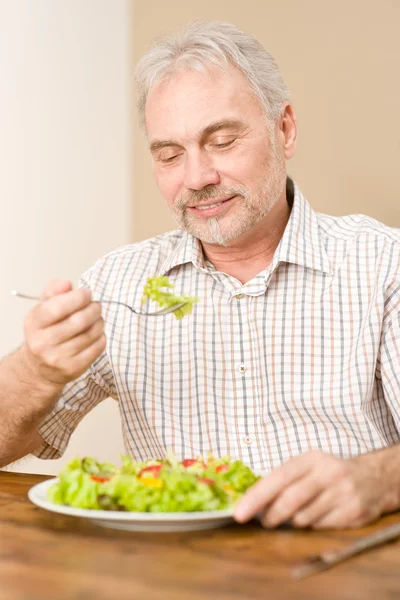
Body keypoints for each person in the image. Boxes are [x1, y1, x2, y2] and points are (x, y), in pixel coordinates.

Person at [1, 19, 400, 530]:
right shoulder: (121, 285)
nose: (197, 178)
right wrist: (36, 370)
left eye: (222, 141)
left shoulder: (383, 265)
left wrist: (380, 478)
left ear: (285, 129)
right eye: (170, 155)